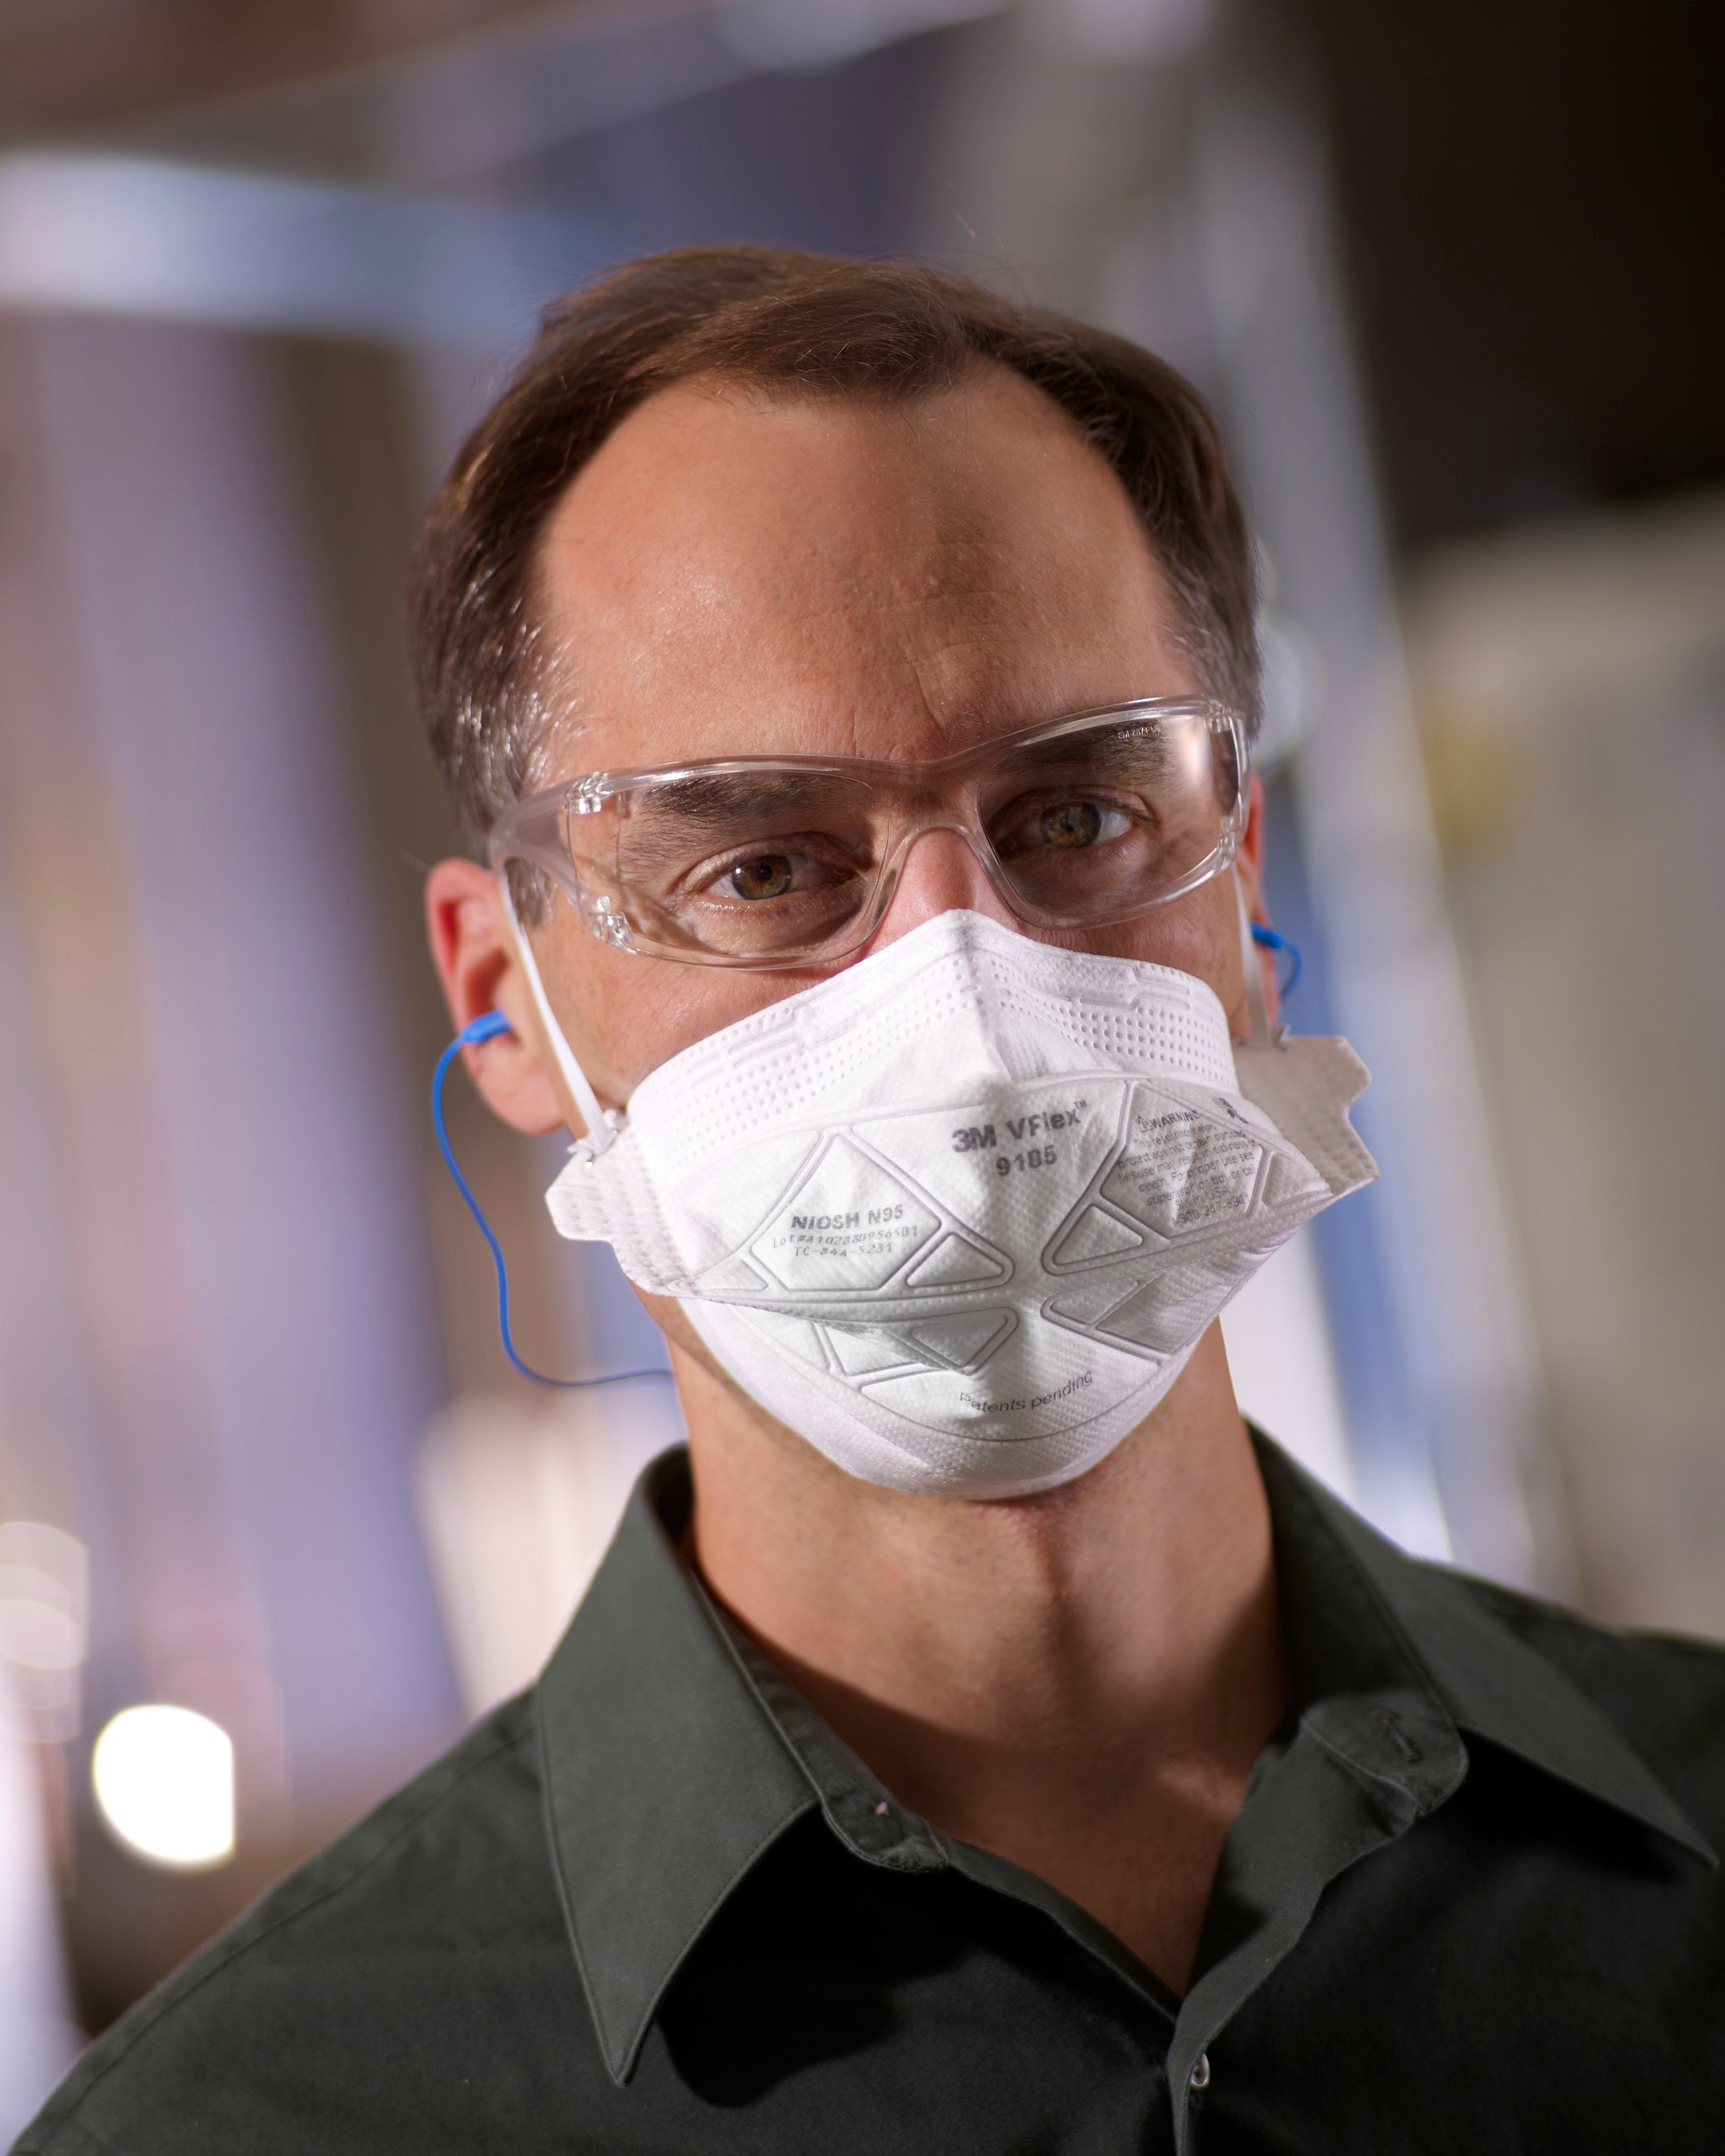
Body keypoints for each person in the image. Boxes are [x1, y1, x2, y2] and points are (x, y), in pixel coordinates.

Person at [15, 246, 1724, 2155]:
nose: (966, 996)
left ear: (1240, 881)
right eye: (765, 863)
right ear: (502, 998)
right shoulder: (264, 2129)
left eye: (1076, 815)